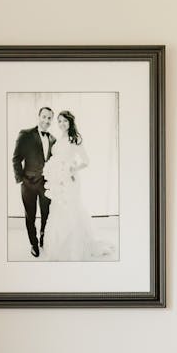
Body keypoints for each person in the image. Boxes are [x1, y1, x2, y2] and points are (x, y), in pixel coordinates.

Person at [42, 110, 111, 261]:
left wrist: (73, 169)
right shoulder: (59, 139)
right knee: (58, 209)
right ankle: (57, 246)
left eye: (65, 121)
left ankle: (73, 247)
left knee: (71, 209)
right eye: (59, 121)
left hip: (70, 180)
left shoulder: (75, 138)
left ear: (70, 122)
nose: (61, 124)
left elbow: (86, 161)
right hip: (58, 181)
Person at [12, 106, 55, 257]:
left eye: (49, 118)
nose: (46, 120)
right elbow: (16, 159)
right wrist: (21, 180)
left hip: (46, 185)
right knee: (30, 216)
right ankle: (34, 244)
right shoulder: (25, 134)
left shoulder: (52, 139)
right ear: (39, 116)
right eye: (44, 116)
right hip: (28, 184)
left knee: (46, 214)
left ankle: (44, 237)